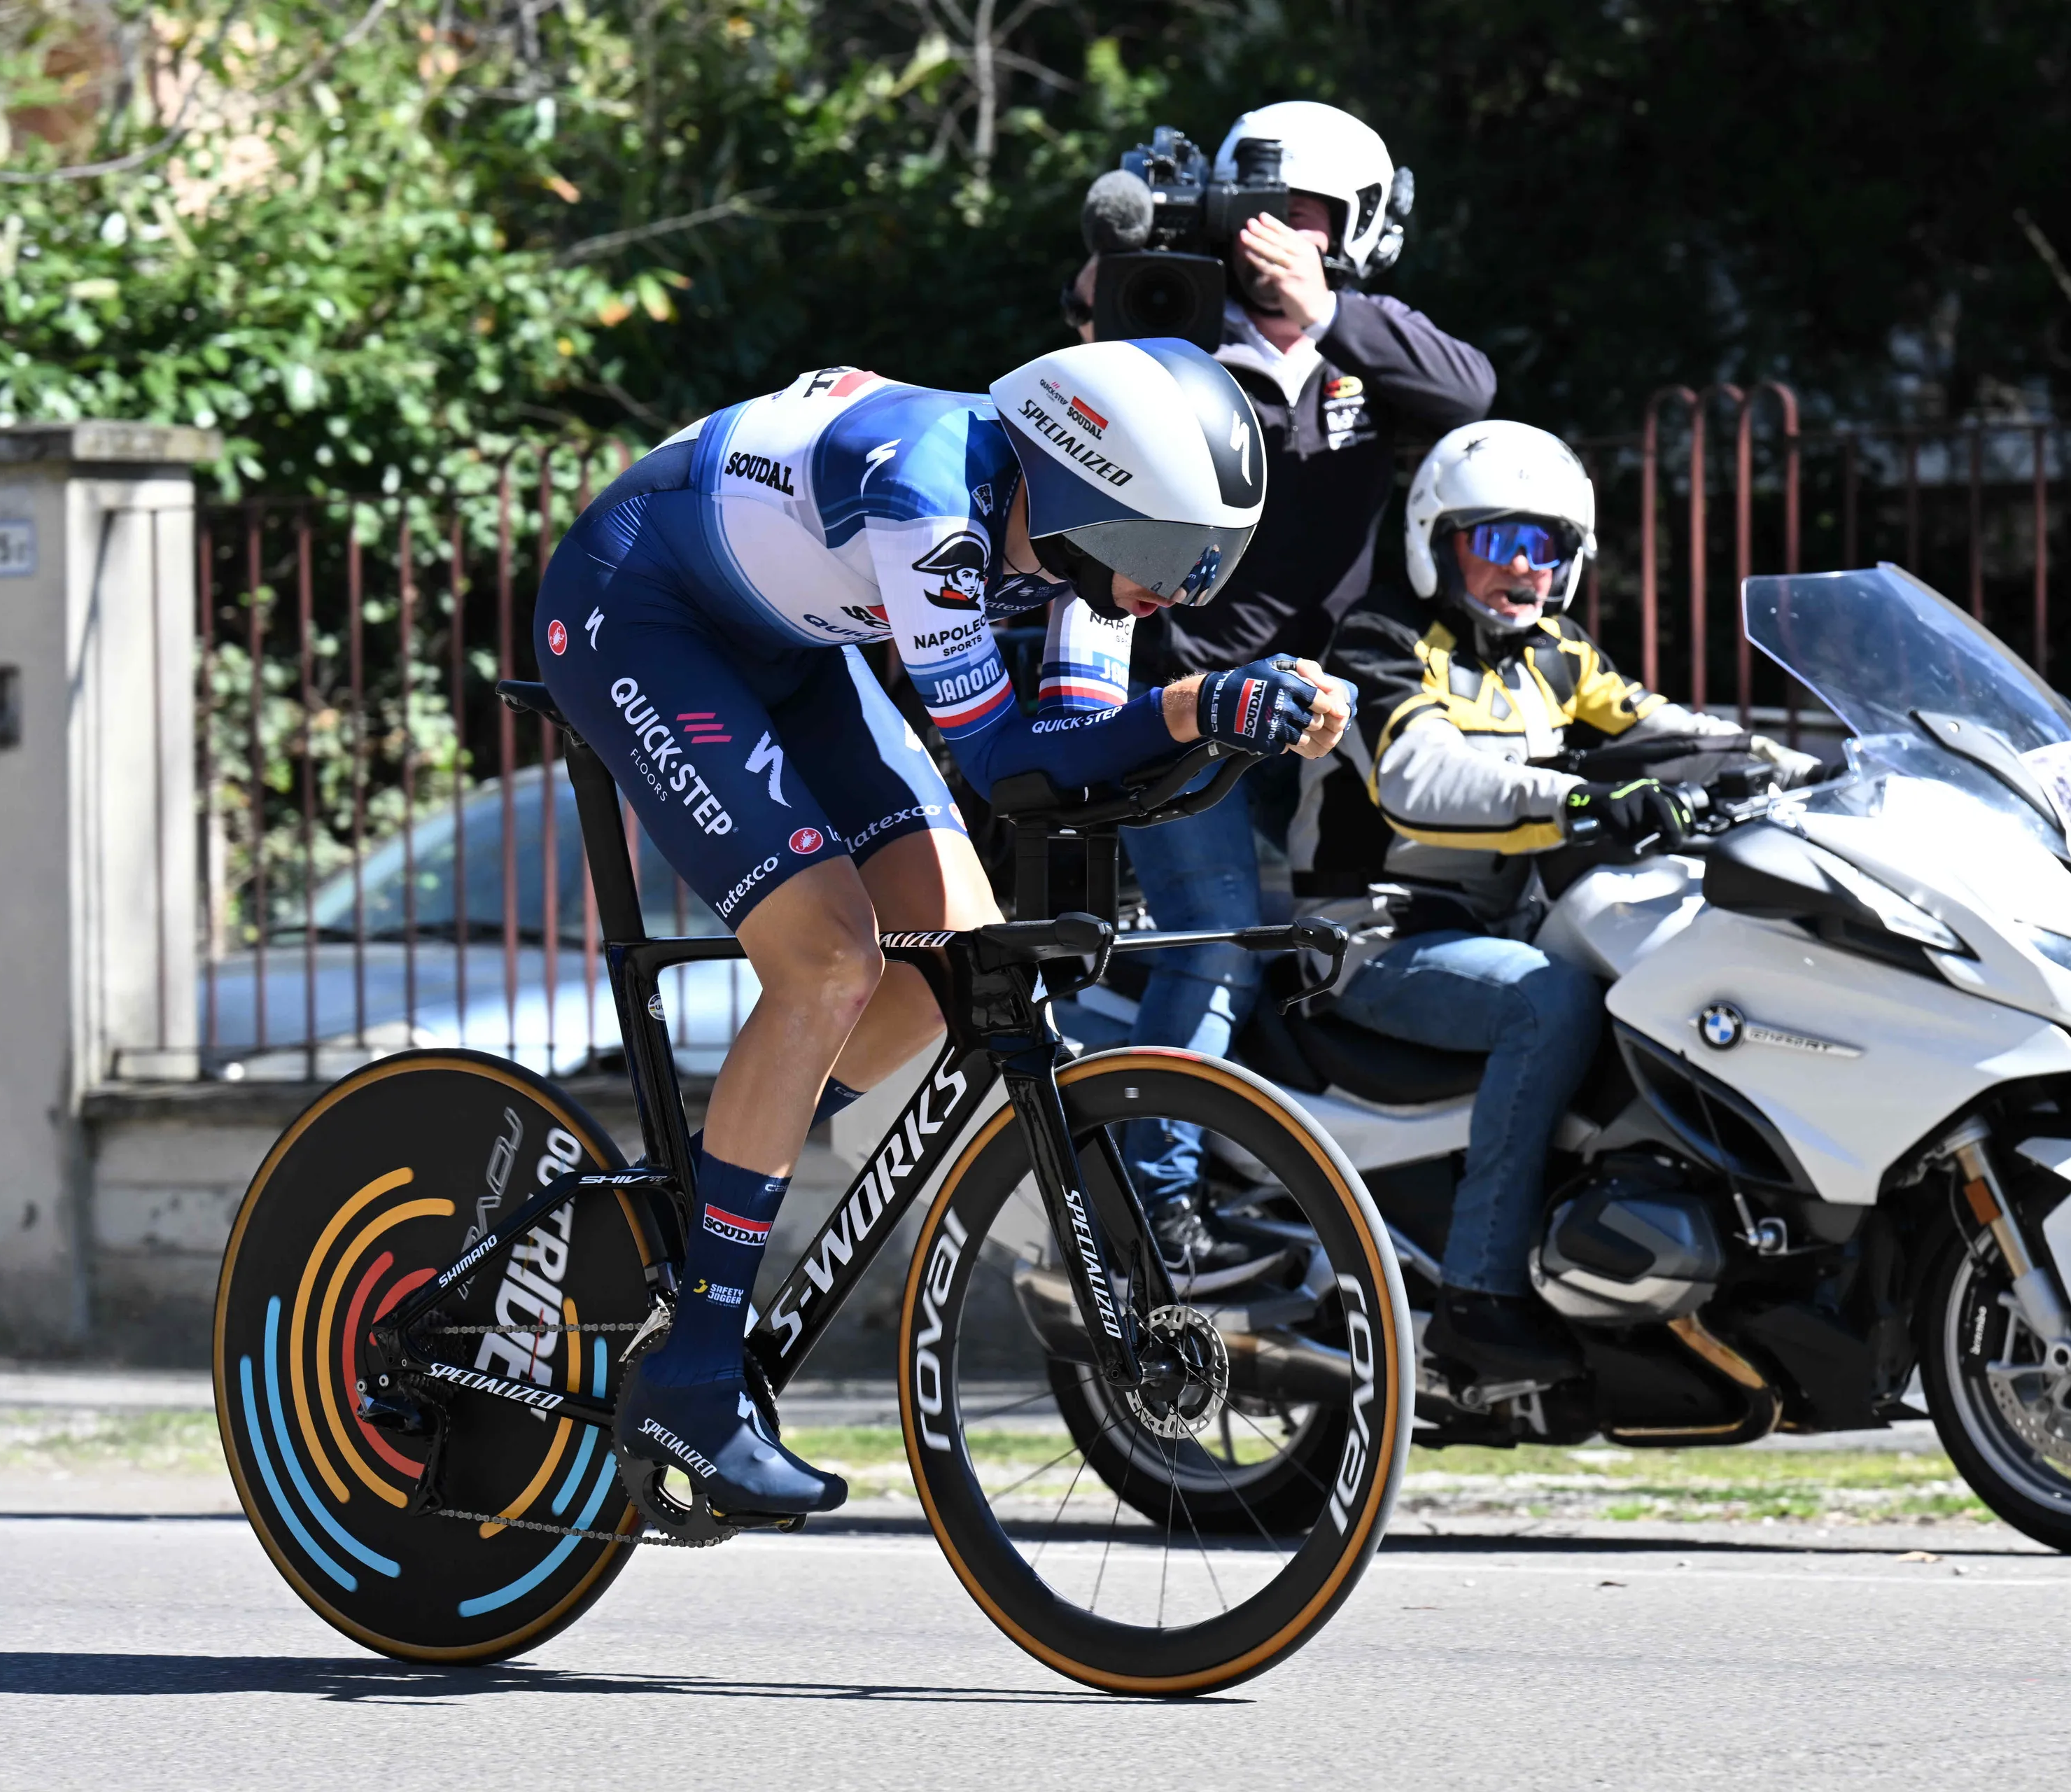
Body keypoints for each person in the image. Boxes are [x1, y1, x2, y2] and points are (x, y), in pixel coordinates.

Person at [535, 341, 1354, 1519]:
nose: (1175, 592)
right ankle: (696, 1372)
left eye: (1202, 563)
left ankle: (703, 1193)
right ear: (1087, 491)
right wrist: (1191, 707)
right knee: (828, 958)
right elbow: (1009, 759)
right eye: (1166, 552)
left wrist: (1239, 718)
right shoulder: (927, 491)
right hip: (638, 609)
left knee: (957, 966)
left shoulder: (1084, 557)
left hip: (791, 649)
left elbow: (1074, 757)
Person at [1289, 419, 1819, 1390]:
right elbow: (1420, 778)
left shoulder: (1557, 653)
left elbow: (1670, 730)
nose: (1527, 566)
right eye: (1500, 540)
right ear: (1437, 541)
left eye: (1550, 545)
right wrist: (1578, 797)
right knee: (1552, 1003)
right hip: (1374, 936)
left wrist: (1805, 771)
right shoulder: (1380, 642)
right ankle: (1479, 1299)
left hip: (1499, 929)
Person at [1063, 101, 1494, 1275]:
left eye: (1306, 214)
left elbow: (1471, 395)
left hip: (1317, 713)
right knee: (1214, 943)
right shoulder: (1181, 325)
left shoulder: (1369, 342)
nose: (1279, 234)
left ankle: (1274, 1180)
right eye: (1261, 208)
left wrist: (1328, 315)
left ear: (1354, 227)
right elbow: (1087, 359)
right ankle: (1154, 1214)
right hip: (1181, 701)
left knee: (1326, 945)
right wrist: (1116, 280)